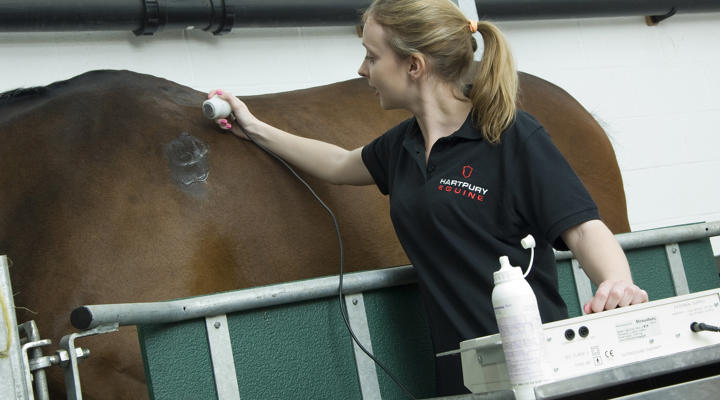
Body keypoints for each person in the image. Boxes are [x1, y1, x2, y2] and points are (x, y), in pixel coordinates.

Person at [209, 0, 649, 395]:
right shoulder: (403, 146)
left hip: (538, 365)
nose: (363, 71)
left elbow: (583, 226)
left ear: (414, 65)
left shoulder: (511, 135)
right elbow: (340, 164)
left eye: (372, 56)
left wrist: (616, 281)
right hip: (463, 373)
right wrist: (254, 126)